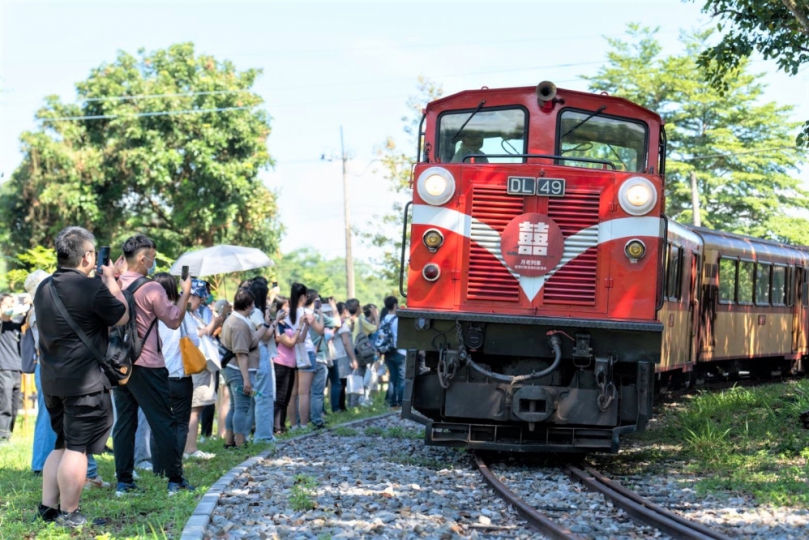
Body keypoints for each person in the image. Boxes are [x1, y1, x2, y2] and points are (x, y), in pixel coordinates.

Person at [34, 226, 129, 527]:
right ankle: (70, 513)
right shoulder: (91, 288)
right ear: (88, 256)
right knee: (77, 449)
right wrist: (112, 280)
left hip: (51, 380)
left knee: (61, 445)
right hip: (84, 384)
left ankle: (48, 508)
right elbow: (122, 315)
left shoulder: (43, 287)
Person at [113, 234, 194, 495]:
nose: (154, 263)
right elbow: (173, 320)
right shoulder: (151, 288)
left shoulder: (111, 285)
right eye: (153, 258)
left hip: (120, 364)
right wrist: (185, 293)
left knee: (125, 422)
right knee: (164, 421)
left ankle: (124, 482)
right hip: (148, 364)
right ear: (142, 259)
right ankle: (176, 480)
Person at [151, 273, 204, 471]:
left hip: (156, 376)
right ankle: (174, 465)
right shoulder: (181, 313)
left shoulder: (150, 313)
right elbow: (195, 341)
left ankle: (158, 468)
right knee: (181, 423)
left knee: (158, 423)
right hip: (180, 377)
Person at [220, 288, 273, 448]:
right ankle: (240, 442)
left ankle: (230, 440)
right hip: (238, 371)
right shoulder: (239, 325)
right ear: (249, 305)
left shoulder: (236, 319)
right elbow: (241, 354)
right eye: (253, 305)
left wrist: (266, 324)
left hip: (232, 369)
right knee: (242, 407)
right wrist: (246, 380)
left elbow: (254, 339)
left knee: (235, 406)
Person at [185, 279, 224, 457]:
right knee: (194, 407)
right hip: (195, 363)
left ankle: (190, 446)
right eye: (200, 298)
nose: (201, 301)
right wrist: (213, 325)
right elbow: (193, 335)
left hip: (202, 363)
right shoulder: (185, 313)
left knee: (197, 407)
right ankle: (190, 448)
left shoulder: (194, 313)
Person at [248, 278, 276, 443]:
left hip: (256, 354)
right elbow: (265, 334)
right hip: (261, 353)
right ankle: (263, 435)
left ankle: (263, 433)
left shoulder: (253, 312)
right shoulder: (257, 313)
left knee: (261, 395)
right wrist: (274, 321)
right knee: (264, 396)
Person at [288, 283, 319, 429]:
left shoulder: (287, 313)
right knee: (304, 393)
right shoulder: (307, 313)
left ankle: (293, 426)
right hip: (306, 352)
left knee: (293, 393)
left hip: (290, 353)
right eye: (306, 296)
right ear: (302, 297)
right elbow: (320, 331)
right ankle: (304, 425)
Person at [305, 290, 334, 429]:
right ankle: (316, 419)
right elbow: (337, 322)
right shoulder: (316, 316)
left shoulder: (299, 314)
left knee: (303, 392)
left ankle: (301, 421)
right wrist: (331, 308)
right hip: (319, 357)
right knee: (317, 392)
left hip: (302, 357)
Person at [0, 293, 24, 443]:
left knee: (15, 406)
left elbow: (29, 313)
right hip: (4, 369)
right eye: (8, 304)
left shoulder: (17, 324)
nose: (11, 308)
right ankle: (3, 436)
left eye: (12, 304)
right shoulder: (2, 325)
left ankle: (9, 434)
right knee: (5, 405)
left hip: (17, 369)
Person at [272, 296, 295, 434]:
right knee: (279, 398)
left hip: (291, 363)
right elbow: (289, 342)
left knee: (286, 398)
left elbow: (297, 340)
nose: (288, 309)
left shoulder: (286, 324)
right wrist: (298, 330)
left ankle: (281, 426)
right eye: (286, 306)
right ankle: (276, 427)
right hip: (280, 362)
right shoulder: (277, 325)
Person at [329, 301, 357, 412]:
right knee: (341, 383)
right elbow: (346, 342)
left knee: (336, 382)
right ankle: (339, 407)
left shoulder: (333, 322)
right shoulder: (342, 324)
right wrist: (353, 358)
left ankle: (336, 406)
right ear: (344, 311)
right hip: (341, 355)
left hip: (333, 354)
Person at [380, 296, 407, 408]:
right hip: (401, 352)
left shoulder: (384, 319)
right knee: (402, 379)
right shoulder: (399, 320)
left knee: (392, 378)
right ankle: (401, 403)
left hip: (388, 352)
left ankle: (392, 403)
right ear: (395, 305)